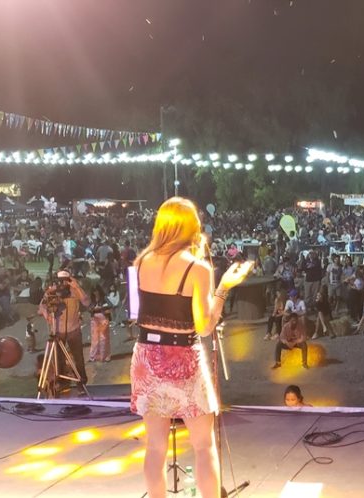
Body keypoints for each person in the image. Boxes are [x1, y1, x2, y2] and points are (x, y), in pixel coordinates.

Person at [129, 197, 253, 498]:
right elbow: (205, 327)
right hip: (183, 358)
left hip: (146, 356)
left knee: (155, 446)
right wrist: (223, 288)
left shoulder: (142, 261)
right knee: (203, 445)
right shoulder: (197, 268)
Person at [38, 270, 92, 384]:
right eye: (60, 281)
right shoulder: (52, 292)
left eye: (65, 280)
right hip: (58, 331)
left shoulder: (75, 291)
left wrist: (77, 287)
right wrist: (47, 316)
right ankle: (62, 382)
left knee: (78, 358)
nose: (62, 283)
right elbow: (41, 307)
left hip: (74, 330)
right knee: (59, 359)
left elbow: (86, 302)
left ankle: (82, 382)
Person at [273, 289, 308, 369]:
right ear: (290, 321)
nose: (294, 322)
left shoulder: (300, 326)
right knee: (278, 344)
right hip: (288, 342)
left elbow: (303, 337)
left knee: (304, 345)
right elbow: (282, 337)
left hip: (296, 342)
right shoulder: (286, 327)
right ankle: (278, 363)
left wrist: (296, 342)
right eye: (292, 321)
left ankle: (304, 363)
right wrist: (287, 342)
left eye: (295, 321)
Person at [88, 286, 112, 362]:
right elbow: (89, 308)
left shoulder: (104, 298)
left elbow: (110, 305)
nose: (95, 293)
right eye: (94, 291)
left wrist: (102, 308)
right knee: (95, 338)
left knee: (104, 338)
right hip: (94, 319)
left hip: (103, 318)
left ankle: (105, 356)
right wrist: (92, 309)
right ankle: (93, 356)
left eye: (96, 291)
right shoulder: (92, 300)